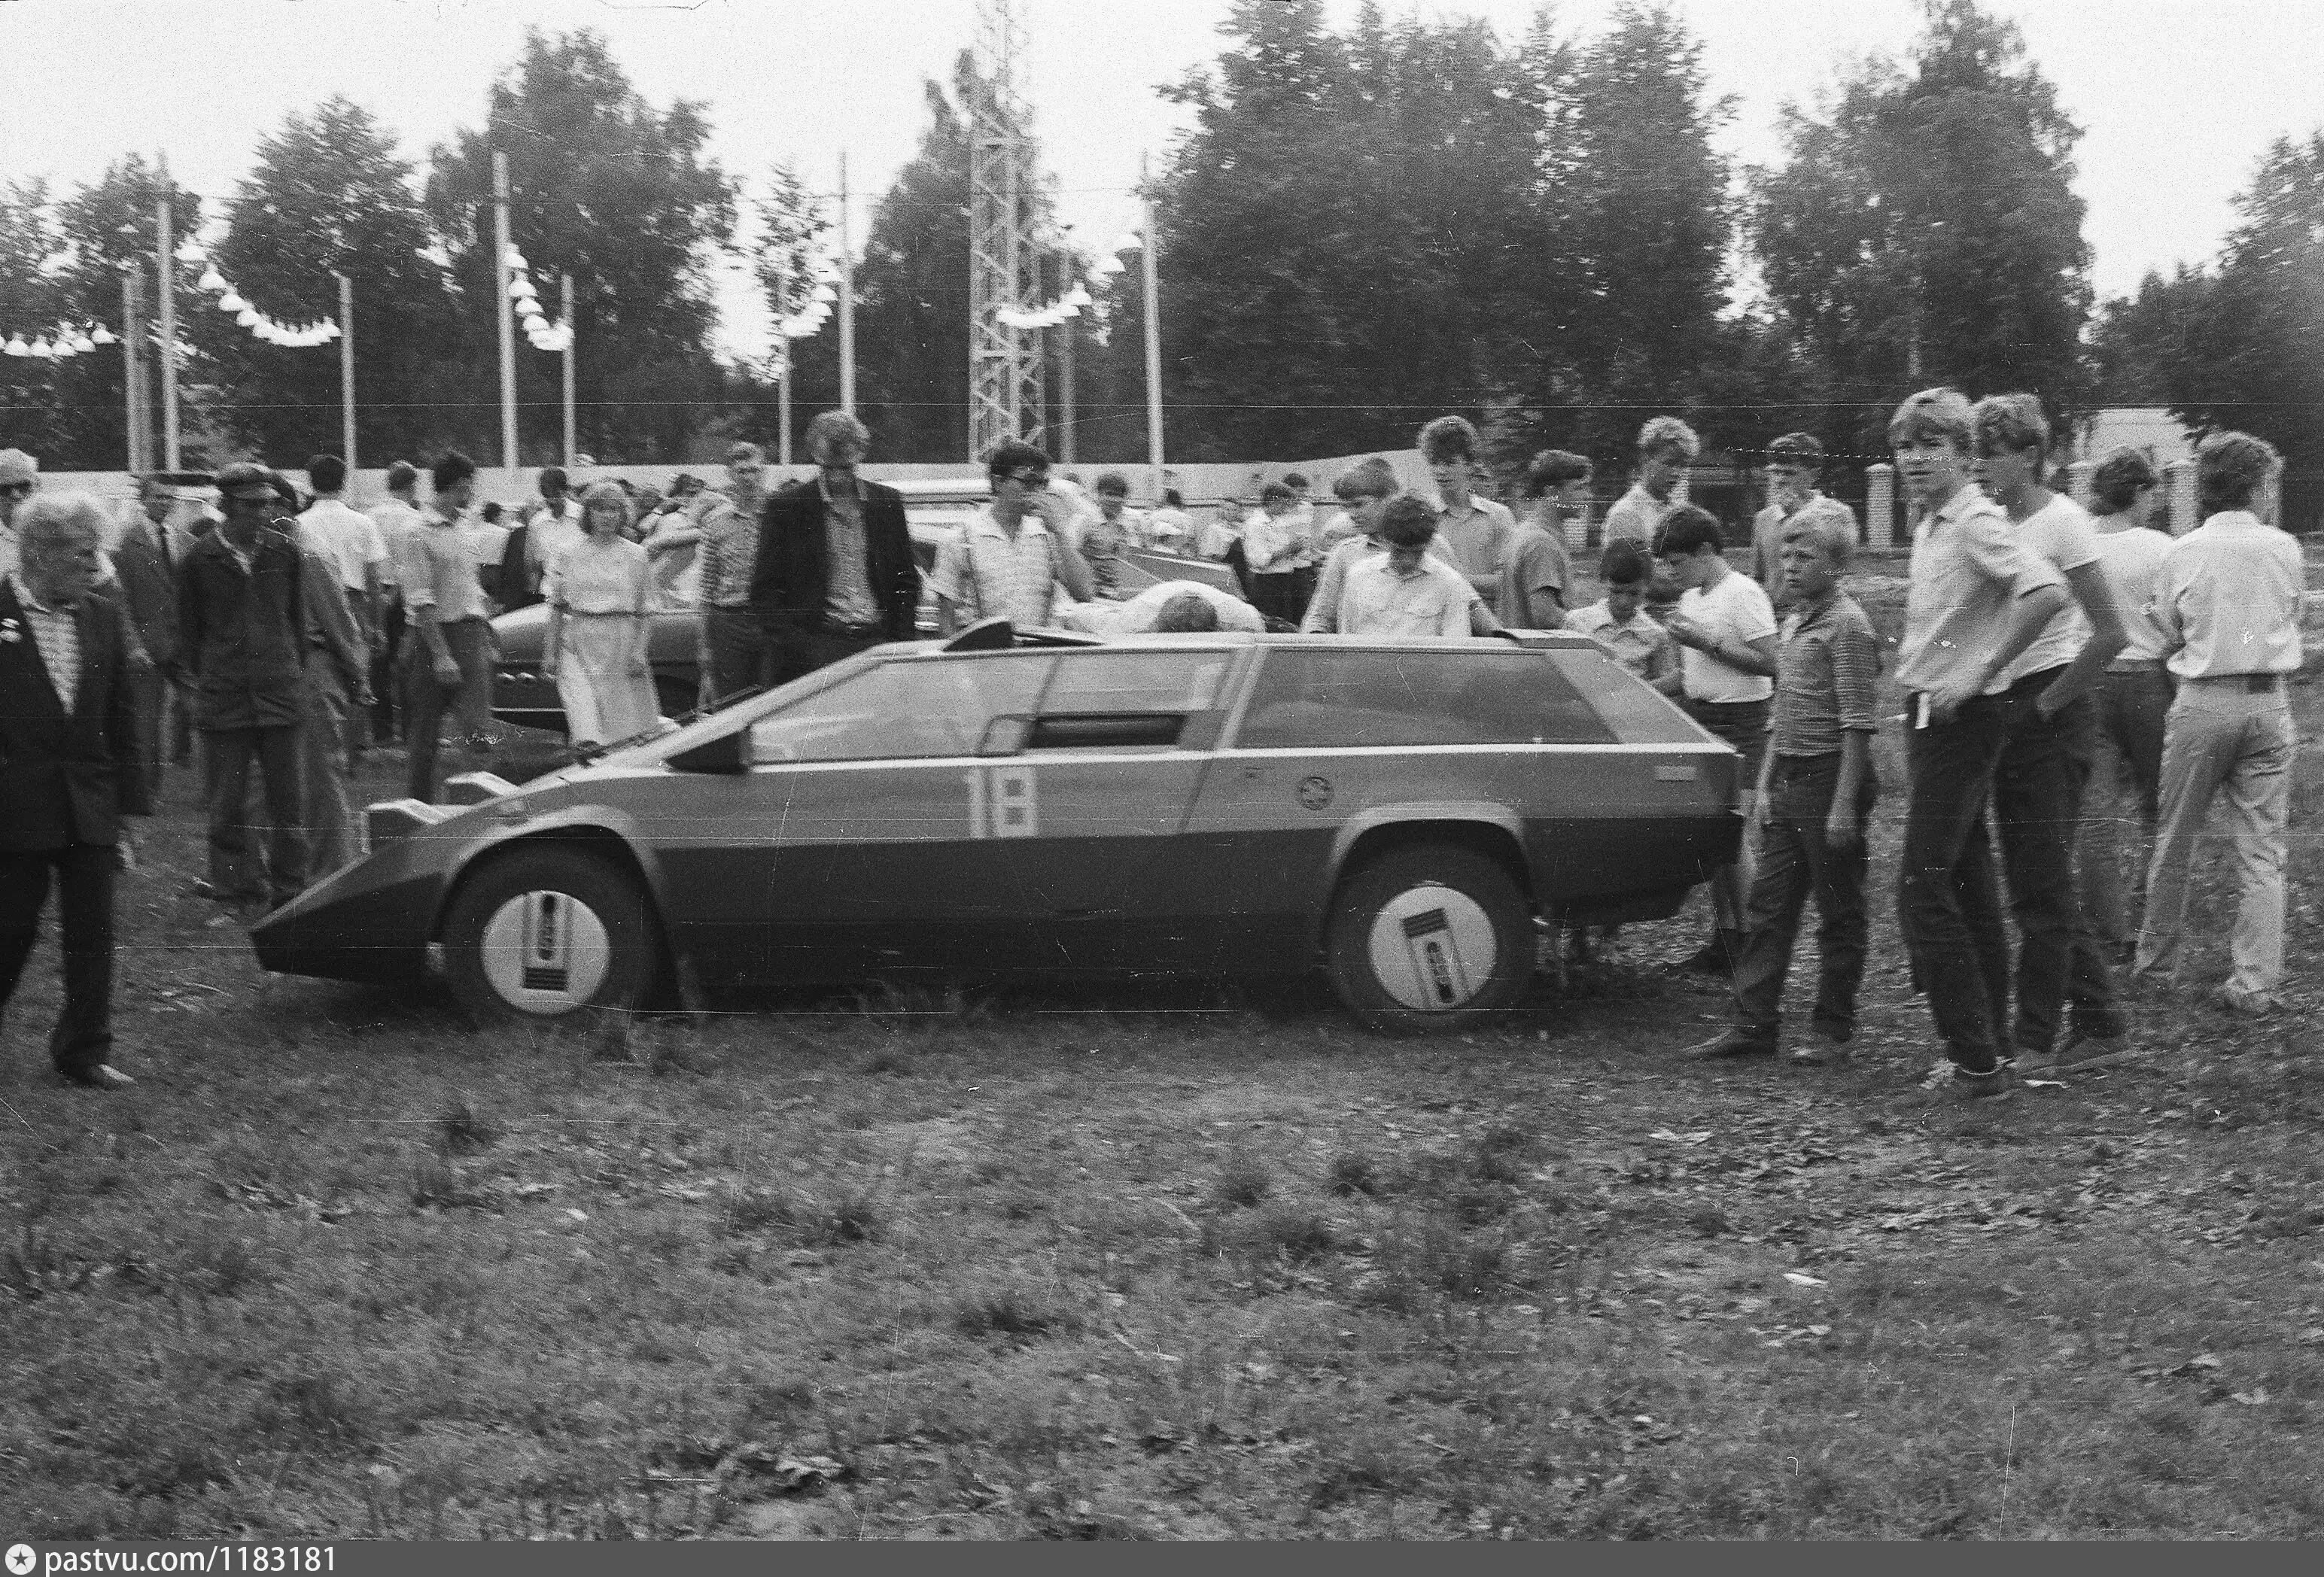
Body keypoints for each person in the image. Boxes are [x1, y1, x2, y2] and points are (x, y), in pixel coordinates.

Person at [1888, 388, 2070, 1099]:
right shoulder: (1933, 523)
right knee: (1967, 883)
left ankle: (1973, 1060)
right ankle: (1987, 1050)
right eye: (1905, 447)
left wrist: (1980, 670)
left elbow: (2046, 591)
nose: (1914, 459)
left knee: (1921, 886)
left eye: (1931, 445)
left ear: (1965, 454)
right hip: (1930, 715)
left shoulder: (1974, 520)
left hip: (1963, 719)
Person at [1971, 393, 2131, 1071]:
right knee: (2034, 878)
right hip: (2002, 705)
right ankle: (2101, 1020)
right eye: (1975, 452)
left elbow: (2111, 634)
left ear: (2031, 455)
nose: (1980, 465)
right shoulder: (1986, 522)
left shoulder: (2064, 522)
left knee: (2039, 880)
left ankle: (2035, 1038)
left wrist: (2043, 707)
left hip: (2052, 709)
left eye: (1993, 452)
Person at [1685, 512, 1880, 1064]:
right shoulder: (1793, 622)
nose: (1791, 567)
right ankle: (1754, 1023)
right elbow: (1782, 712)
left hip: (1829, 777)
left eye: (1805, 557)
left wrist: (1843, 805)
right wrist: (1767, 784)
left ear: (1837, 565)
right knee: (1769, 907)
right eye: (1786, 556)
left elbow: (1858, 722)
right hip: (1790, 777)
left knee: (1839, 909)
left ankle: (1832, 1030)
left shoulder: (1848, 627)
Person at [2135, 432, 2301, 1018]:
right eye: (2269, 485)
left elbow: (2169, 630)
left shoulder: (2183, 551)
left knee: (2175, 837)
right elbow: (2290, 614)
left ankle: (2155, 966)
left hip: (2203, 700)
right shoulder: (2284, 548)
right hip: (2267, 701)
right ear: (2255, 487)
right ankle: (2255, 983)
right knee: (2263, 851)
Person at [0, 494, 151, 1089]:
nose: (95, 567)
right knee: (10, 929)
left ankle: (83, 1052)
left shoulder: (102, 616)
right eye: (83, 554)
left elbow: (122, 718)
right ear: (41, 552)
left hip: (89, 802)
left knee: (93, 935)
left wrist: (128, 812)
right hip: (14, 807)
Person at [1656, 504, 1781, 974]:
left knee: (1736, 838)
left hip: (1742, 721)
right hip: (1703, 719)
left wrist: (1708, 643)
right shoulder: (1692, 599)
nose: (1671, 572)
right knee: (1714, 840)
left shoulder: (1743, 593)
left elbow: (1772, 662)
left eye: (1677, 562)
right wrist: (1637, 686)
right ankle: (1726, 938)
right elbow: (1691, 675)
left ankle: (1755, 945)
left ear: (1706, 550)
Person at [178, 462, 309, 910]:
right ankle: (234, 889)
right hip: (226, 699)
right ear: (227, 506)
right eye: (252, 505)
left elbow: (296, 622)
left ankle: (291, 891)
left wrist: (287, 671)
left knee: (289, 802)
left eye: (267, 504)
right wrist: (210, 679)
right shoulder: (198, 560)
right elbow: (189, 634)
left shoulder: (285, 553)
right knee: (227, 803)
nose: (263, 513)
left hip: (280, 694)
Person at [2078, 448, 2173, 959]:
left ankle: (2109, 929)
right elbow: (2173, 617)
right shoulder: (2160, 547)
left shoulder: (2080, 541)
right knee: (2158, 805)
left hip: (2090, 678)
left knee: (2096, 811)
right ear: (2137, 491)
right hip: (2147, 680)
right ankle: (2148, 912)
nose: (2157, 501)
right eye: (2153, 491)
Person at [756, 412, 924, 679]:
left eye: (844, 467)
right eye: (827, 467)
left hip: (877, 645)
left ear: (860, 455)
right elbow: (764, 590)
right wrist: (798, 647)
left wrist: (898, 640)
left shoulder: (887, 503)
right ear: (815, 456)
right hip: (816, 650)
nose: (835, 476)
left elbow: (906, 578)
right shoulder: (787, 507)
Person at [396, 453, 495, 804]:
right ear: (460, 485)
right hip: (432, 640)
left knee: (478, 731)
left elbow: (471, 587)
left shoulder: (466, 528)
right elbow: (420, 599)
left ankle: (480, 810)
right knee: (424, 734)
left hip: (471, 636)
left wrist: (486, 632)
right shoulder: (417, 533)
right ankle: (417, 812)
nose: (474, 493)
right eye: (472, 485)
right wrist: (441, 655)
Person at [927, 439, 1095, 637]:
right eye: (1028, 482)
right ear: (999, 482)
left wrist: (1058, 531)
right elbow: (946, 619)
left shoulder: (1046, 536)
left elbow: (1084, 593)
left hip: (1039, 650)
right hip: (983, 652)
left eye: (1042, 484)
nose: (1036, 491)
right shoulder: (961, 538)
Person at [288, 490, 372, 880]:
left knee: (322, 775)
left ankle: (335, 872)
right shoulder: (280, 556)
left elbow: (340, 626)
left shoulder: (308, 557)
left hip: (315, 668)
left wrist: (357, 677)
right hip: (287, 672)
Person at [545, 482, 659, 749]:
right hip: (578, 639)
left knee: (621, 727)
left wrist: (639, 651)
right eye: (600, 509)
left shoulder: (636, 555)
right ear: (588, 513)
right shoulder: (569, 553)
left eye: (613, 509)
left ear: (622, 514)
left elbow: (646, 610)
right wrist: (550, 653)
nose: (607, 516)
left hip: (620, 641)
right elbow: (557, 607)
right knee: (585, 722)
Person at [294, 454, 385, 758]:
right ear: (344, 481)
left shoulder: (300, 524)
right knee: (357, 672)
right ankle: (351, 751)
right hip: (354, 601)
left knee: (320, 676)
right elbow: (373, 580)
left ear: (311, 483)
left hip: (312, 604)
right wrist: (377, 625)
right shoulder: (363, 522)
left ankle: (327, 748)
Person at [111, 479, 183, 804]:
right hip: (147, 645)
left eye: (170, 498)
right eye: (159, 497)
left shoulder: (182, 539)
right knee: (146, 721)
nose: (165, 503)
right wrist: (132, 644)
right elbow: (119, 598)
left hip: (182, 643)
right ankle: (145, 792)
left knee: (205, 712)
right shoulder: (126, 541)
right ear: (144, 499)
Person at [1335, 497, 1499, 638]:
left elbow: (1455, 648)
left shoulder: (1450, 583)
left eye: (1416, 553)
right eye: (1399, 552)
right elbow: (1347, 639)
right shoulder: (1359, 575)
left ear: (1429, 544)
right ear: (1386, 541)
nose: (1407, 561)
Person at [695, 441, 775, 702]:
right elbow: (707, 588)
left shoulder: (780, 516)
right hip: (729, 622)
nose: (748, 478)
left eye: (754, 471)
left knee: (776, 701)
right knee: (732, 703)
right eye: (741, 471)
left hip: (771, 621)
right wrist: (704, 646)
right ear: (730, 474)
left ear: (763, 472)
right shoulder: (716, 522)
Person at [1416, 415, 1515, 606]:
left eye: (1449, 463)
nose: (1440, 471)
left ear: (1469, 465)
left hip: (1490, 620)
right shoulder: (1420, 516)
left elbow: (1510, 582)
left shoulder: (1499, 516)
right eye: (1434, 463)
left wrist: (1452, 579)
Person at [1751, 433, 1858, 610]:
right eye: (1775, 472)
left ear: (1813, 475)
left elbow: (1840, 569)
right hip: (1776, 615)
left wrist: (1800, 513)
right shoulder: (1764, 518)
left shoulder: (1836, 514)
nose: (1780, 480)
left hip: (1820, 613)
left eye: (1789, 473)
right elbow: (1759, 577)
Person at [1565, 541, 1679, 696]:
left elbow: (1664, 688)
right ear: (1604, 582)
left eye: (1634, 594)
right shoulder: (1576, 623)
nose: (1624, 602)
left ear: (1646, 587)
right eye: (1616, 592)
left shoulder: (1656, 635)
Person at [367, 461, 426, 747]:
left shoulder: (370, 516)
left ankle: (382, 731)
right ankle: (410, 729)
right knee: (408, 664)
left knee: (378, 664)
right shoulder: (414, 518)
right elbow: (409, 563)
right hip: (404, 594)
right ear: (411, 486)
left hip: (376, 592)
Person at [1501, 450, 1582, 627]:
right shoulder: (1541, 543)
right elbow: (1546, 616)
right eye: (1579, 488)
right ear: (1552, 493)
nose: (1588, 496)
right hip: (1537, 645)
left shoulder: (1525, 530)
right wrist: (1590, 626)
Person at [1604, 416, 1698, 551]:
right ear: (1645, 459)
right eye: (1669, 463)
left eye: (1683, 465)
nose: (1677, 473)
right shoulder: (1626, 515)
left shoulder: (1679, 511)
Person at [503, 466, 582, 612]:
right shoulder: (537, 522)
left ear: (564, 490)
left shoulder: (582, 517)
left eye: (555, 493)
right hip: (549, 595)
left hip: (581, 593)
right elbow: (533, 566)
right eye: (546, 493)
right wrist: (534, 597)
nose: (551, 499)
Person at [1241, 482, 1319, 625]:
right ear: (1274, 501)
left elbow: (1283, 551)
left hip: (1285, 580)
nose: (1287, 508)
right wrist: (1288, 549)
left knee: (1288, 623)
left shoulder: (1278, 521)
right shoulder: (1256, 524)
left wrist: (1296, 549)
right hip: (1267, 584)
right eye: (1285, 504)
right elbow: (1258, 561)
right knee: (1273, 625)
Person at [1082, 472, 1141, 597]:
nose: (1114, 500)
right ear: (1099, 495)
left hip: (1127, 589)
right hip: (1094, 591)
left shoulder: (1133, 522)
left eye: (1119, 496)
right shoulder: (1085, 521)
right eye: (1109, 494)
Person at [0, 448, 38, 579]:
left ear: (37, 486)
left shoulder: (61, 530)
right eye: (5, 489)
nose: (16, 495)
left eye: (23, 486)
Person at [1144, 488, 1194, 555]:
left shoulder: (1154, 516)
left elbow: (1147, 538)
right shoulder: (1187, 518)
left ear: (1165, 500)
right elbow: (1189, 542)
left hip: (1154, 553)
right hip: (1178, 555)